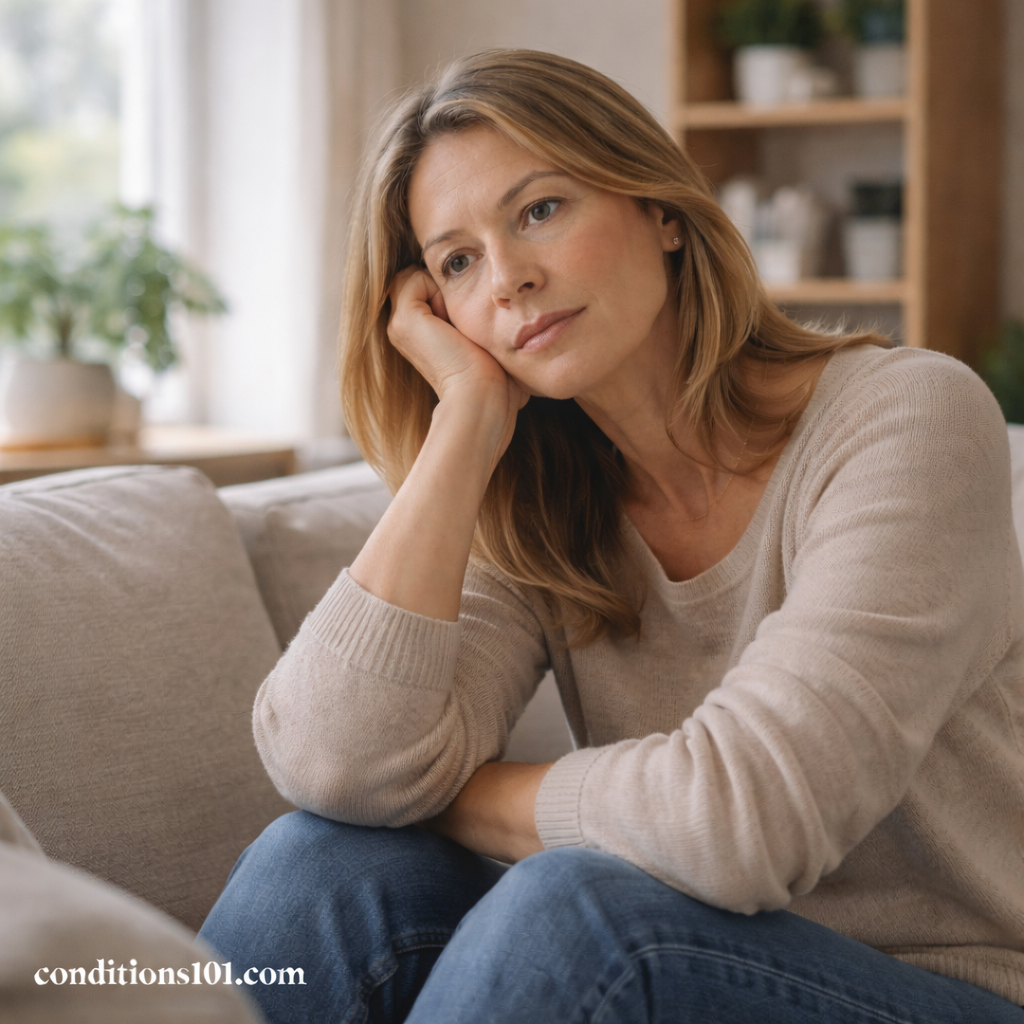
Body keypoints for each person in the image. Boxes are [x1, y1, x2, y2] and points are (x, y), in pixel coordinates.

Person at [198, 50, 1024, 1023]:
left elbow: (738, 824)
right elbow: (333, 766)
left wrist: (447, 794)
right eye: (457, 261)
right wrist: (464, 424)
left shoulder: (906, 418)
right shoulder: (543, 499)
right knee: (323, 862)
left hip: (940, 990)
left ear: (660, 211)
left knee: (577, 910)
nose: (509, 279)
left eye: (540, 209)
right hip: (672, 955)